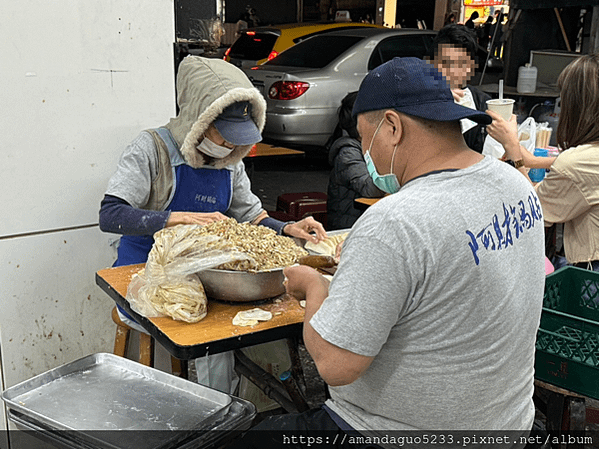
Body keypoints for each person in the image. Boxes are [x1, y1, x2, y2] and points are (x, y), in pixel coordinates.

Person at [228, 57, 546, 447]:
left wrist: (313, 287)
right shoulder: (514, 183)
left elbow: (334, 365)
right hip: (508, 422)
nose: (365, 152)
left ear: (393, 127)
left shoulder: (396, 222)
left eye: (364, 138)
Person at [99, 56, 326, 393]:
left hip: (212, 278)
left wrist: (285, 228)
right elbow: (110, 215)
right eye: (224, 137)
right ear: (198, 122)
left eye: (238, 140)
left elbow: (252, 215)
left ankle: (257, 407)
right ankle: (218, 419)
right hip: (150, 278)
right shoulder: (152, 149)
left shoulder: (229, 160)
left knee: (270, 323)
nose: (231, 147)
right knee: (211, 341)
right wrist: (179, 219)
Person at [486, 53, 599, 272]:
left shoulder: (576, 163)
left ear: (577, 106)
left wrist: (516, 155)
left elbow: (534, 210)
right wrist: (532, 160)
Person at [327, 92, 385, 230]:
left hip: (368, 220)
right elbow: (370, 189)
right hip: (350, 227)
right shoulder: (348, 153)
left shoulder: (369, 147)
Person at [431, 24, 492, 153]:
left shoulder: (482, 104)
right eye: (446, 63)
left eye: (460, 64)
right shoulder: (418, 100)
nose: (452, 71)